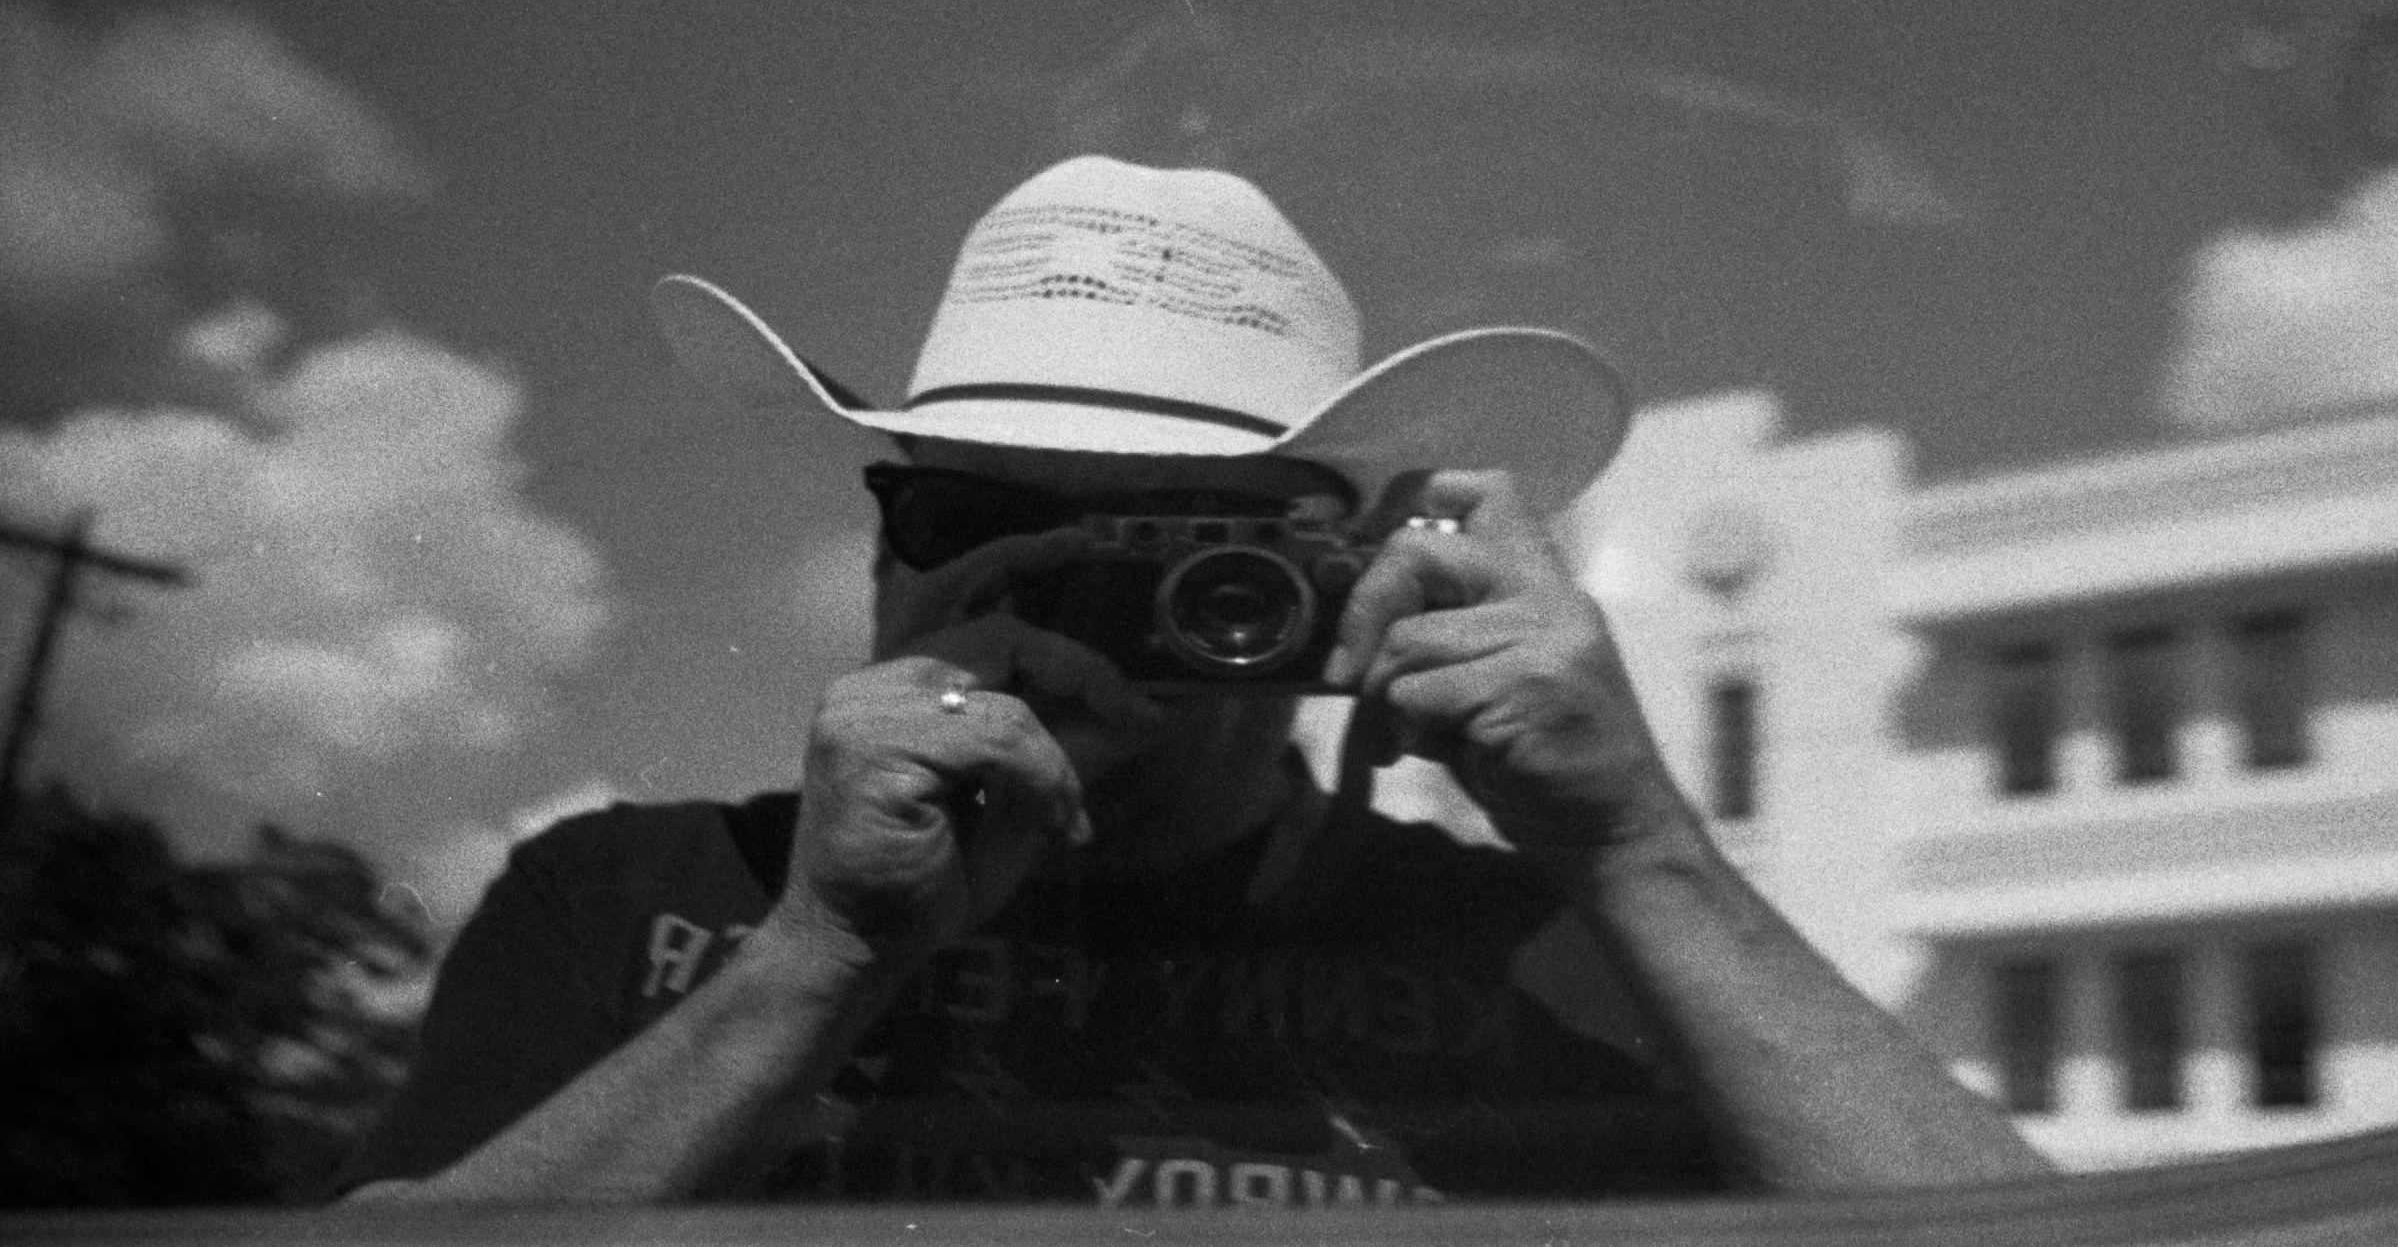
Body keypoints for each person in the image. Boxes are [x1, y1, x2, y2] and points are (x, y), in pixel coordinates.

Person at [338, 157, 2049, 1207]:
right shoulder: (624, 904)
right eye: (985, 518)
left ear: (1333, 580)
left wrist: (1640, 850)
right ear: (883, 556)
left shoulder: (1560, 966)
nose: (1082, 602)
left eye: (1192, 553)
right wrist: (815, 958)